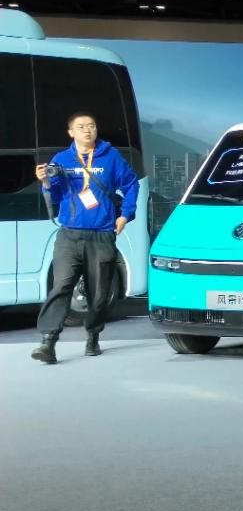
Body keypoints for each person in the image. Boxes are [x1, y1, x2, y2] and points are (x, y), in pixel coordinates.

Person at [31, 112, 139, 364]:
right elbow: (55, 197)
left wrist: (125, 215)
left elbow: (131, 184)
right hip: (69, 235)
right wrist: (45, 183)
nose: (88, 130)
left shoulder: (111, 157)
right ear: (71, 132)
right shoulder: (62, 159)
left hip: (101, 235)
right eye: (81, 127)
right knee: (61, 285)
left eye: (92, 125)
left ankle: (93, 336)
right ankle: (48, 341)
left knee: (99, 293)